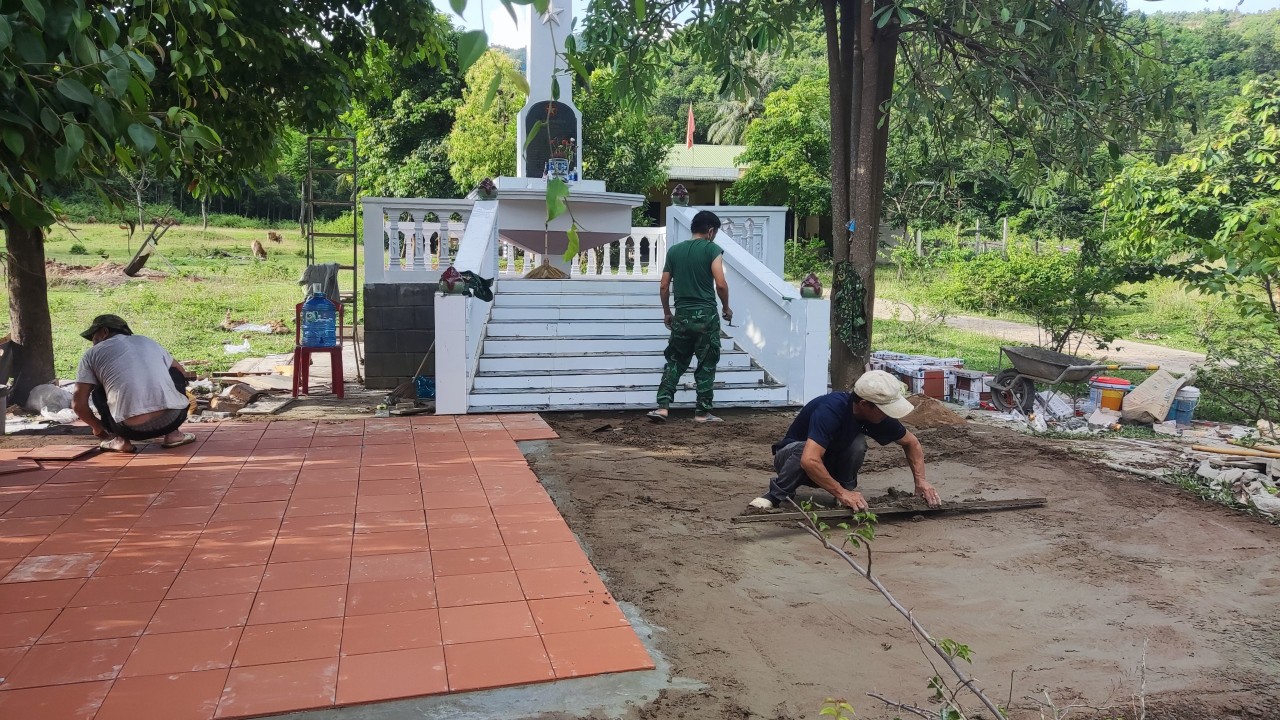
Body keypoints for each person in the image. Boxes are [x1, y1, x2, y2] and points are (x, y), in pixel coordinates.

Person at [748, 370, 941, 511]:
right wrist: (840, 492)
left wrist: (921, 481)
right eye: (884, 409)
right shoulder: (830, 410)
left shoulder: (876, 416)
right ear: (865, 404)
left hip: (826, 465)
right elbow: (809, 460)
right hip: (791, 460)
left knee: (857, 443)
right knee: (805, 450)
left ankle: (846, 491)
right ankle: (775, 495)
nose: (887, 415)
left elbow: (912, 443)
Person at [648, 210, 732, 423]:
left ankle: (663, 407)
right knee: (706, 363)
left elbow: (664, 285)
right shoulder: (712, 249)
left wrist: (667, 312)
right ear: (711, 231)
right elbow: (720, 284)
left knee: (675, 360)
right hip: (706, 316)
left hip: (682, 315)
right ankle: (702, 412)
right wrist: (726, 307)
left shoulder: (675, 251)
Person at [71, 314, 195, 453]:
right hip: (173, 419)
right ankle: (174, 435)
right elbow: (181, 371)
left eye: (93, 337)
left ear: (104, 332)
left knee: (98, 388)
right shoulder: (147, 341)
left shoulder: (91, 354)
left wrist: (98, 428)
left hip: (128, 429)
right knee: (175, 373)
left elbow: (78, 405)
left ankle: (121, 441)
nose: (93, 342)